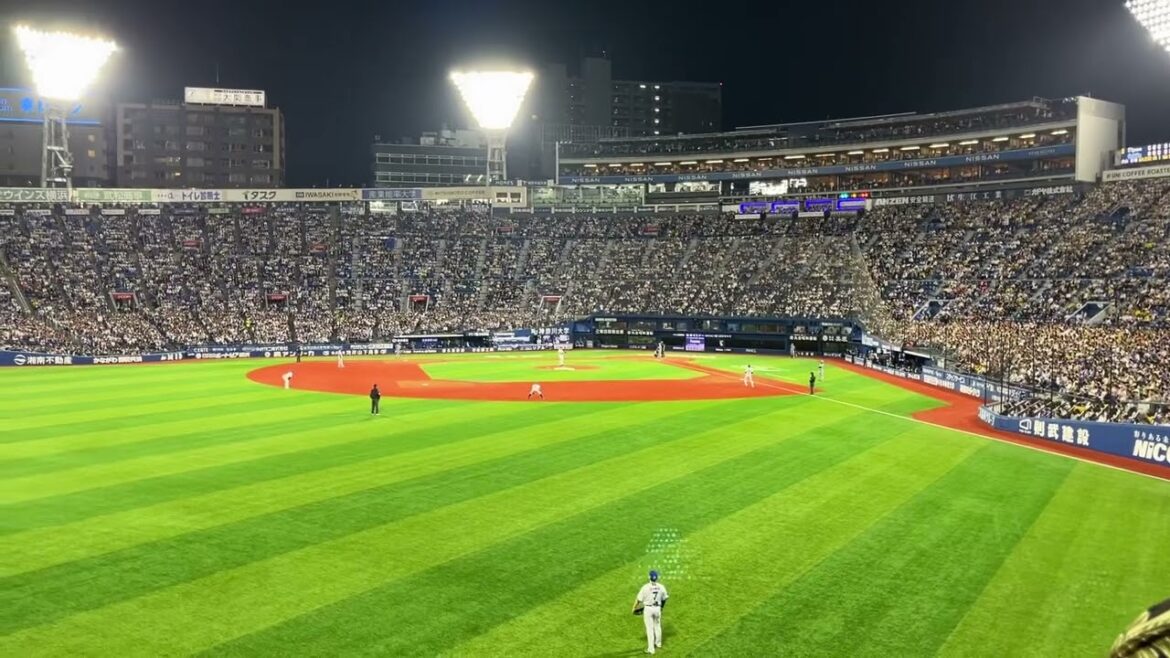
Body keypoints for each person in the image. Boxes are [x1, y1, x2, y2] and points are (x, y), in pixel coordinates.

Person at [632, 570, 669, 654]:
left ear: (649, 577)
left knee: (649, 629)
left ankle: (651, 649)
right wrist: (661, 607)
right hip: (657, 608)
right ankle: (658, 643)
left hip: (648, 609)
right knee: (657, 625)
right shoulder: (661, 587)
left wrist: (634, 608)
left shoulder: (645, 587)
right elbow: (665, 598)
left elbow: (639, 599)